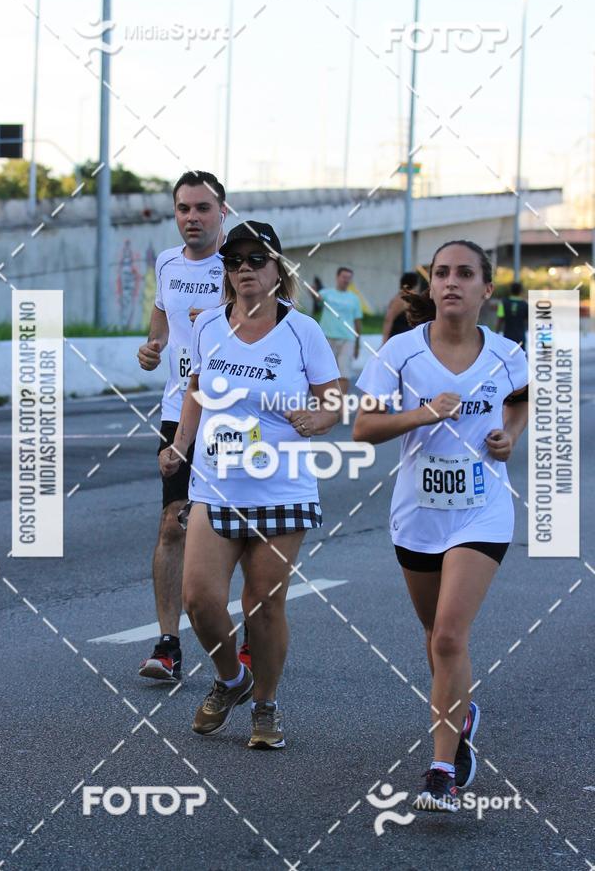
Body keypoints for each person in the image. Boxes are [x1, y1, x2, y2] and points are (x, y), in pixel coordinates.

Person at [353, 240, 528, 811]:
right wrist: (425, 412)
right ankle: (463, 712)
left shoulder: (507, 354)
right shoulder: (401, 353)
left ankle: (441, 769)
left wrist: (510, 435)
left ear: (486, 289)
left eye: (465, 274)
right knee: (434, 638)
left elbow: (523, 400)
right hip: (418, 516)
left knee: (451, 634)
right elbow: (364, 429)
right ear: (432, 288)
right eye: (442, 273)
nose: (452, 281)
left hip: (482, 511)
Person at [159, 220, 341, 748]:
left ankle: (265, 705)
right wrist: (180, 445)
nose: (244, 270)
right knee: (199, 599)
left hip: (280, 487)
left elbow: (332, 396)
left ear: (277, 270)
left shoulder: (301, 330)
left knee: (263, 602)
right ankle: (231, 680)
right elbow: (196, 388)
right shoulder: (210, 324)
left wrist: (317, 417)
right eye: (234, 262)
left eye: (255, 261)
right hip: (216, 483)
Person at [136, 170, 249, 682]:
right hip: (179, 409)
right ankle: (168, 644)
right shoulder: (166, 262)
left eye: (203, 208)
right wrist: (153, 346)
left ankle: (252, 639)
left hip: (235, 413)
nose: (192, 218)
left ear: (222, 211)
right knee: (171, 523)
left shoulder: (242, 264)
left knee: (245, 526)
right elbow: (163, 318)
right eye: (184, 208)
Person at [318, 267, 363, 394]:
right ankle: (326, 402)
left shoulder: (354, 299)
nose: (346, 280)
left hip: (347, 339)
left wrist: (357, 345)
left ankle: (340, 404)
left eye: (349, 278)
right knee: (325, 373)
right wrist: (314, 290)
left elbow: (357, 321)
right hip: (327, 338)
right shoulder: (326, 293)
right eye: (344, 277)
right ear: (337, 277)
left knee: (344, 373)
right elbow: (316, 298)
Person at [381, 271, 420, 344]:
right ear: (414, 285)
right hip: (397, 341)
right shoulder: (400, 300)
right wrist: (384, 343)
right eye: (417, 284)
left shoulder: (411, 300)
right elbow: (388, 320)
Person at [495, 281, 529, 350]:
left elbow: (499, 320)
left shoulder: (503, 303)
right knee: (520, 358)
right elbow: (528, 322)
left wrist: (496, 334)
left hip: (507, 337)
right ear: (520, 291)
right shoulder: (525, 305)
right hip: (520, 337)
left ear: (511, 290)